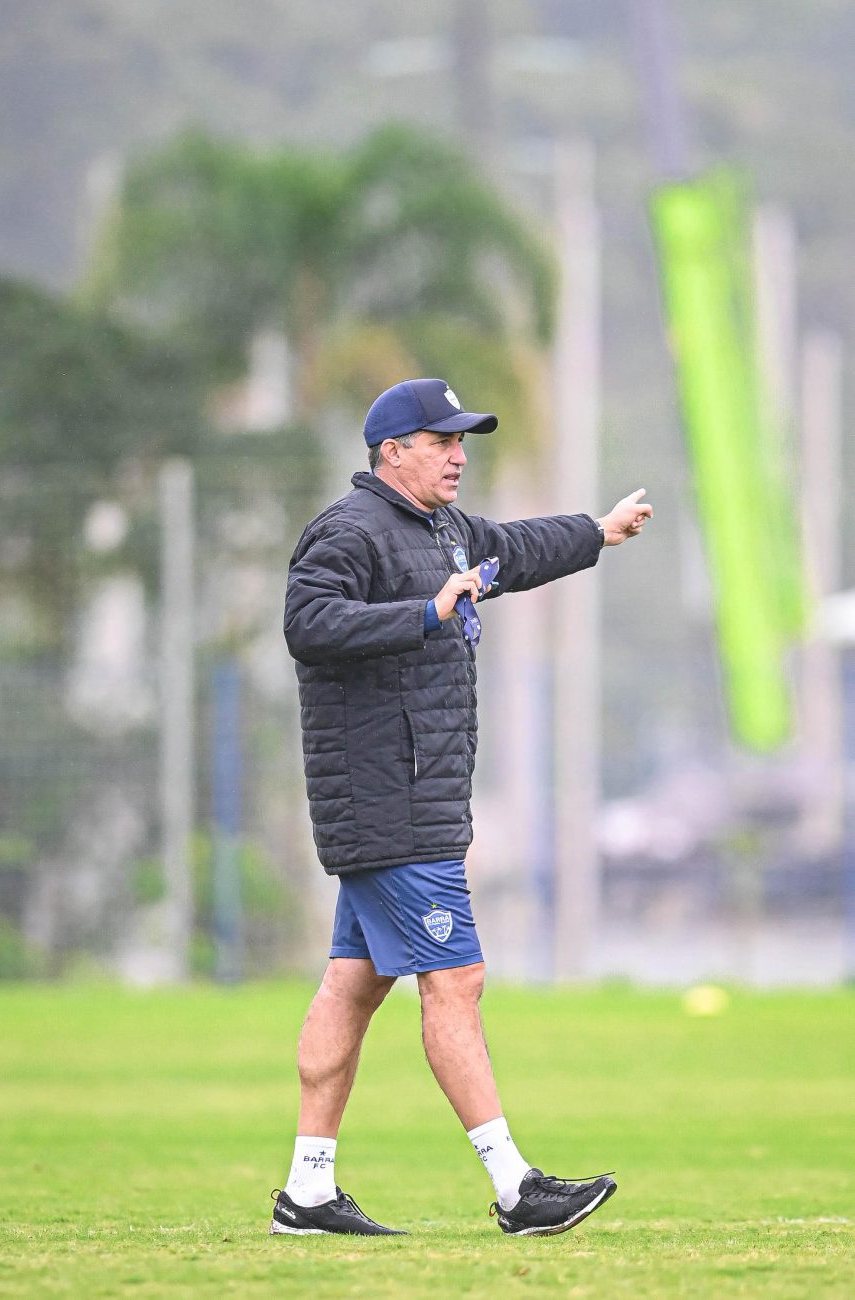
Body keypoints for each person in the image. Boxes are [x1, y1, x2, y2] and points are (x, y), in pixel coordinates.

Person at [272, 378, 652, 1238]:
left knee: (351, 987)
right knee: (456, 978)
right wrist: (424, 611)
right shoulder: (348, 529)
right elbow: (308, 623)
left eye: (461, 440)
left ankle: (308, 1193)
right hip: (388, 802)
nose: (458, 454)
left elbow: (511, 550)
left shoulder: (440, 529)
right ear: (390, 452)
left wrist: (597, 531)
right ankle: (517, 1189)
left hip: (409, 799)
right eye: (440, 440)